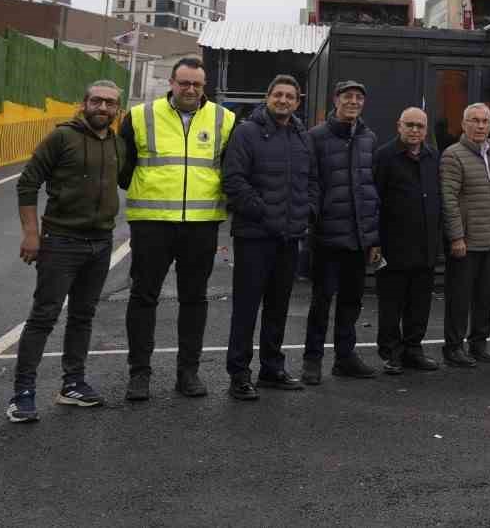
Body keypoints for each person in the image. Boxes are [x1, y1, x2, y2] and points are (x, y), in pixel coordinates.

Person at [119, 56, 237, 401]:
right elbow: (123, 169)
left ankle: (188, 373)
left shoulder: (225, 119)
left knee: (194, 299)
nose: (190, 89)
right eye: (184, 83)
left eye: (197, 84)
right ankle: (139, 374)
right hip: (151, 223)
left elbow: (231, 170)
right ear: (171, 83)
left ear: (204, 86)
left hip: (201, 224)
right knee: (143, 297)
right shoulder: (139, 116)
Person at [8, 80, 124, 422]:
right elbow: (27, 183)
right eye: (97, 101)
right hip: (61, 241)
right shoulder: (61, 137)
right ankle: (22, 394)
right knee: (44, 316)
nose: (103, 108)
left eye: (110, 103)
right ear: (83, 103)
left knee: (83, 316)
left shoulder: (117, 143)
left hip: (101, 242)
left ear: (118, 110)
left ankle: (72, 385)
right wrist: (31, 234)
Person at [222, 75, 319, 400]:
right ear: (267, 97)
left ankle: (271, 368)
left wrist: (307, 211)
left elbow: (312, 181)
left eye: (290, 96)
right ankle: (239, 374)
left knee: (278, 308)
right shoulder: (246, 132)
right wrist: (265, 213)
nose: (283, 100)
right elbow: (234, 180)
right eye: (278, 94)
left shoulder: (301, 136)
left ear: (297, 102)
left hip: (289, 238)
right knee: (246, 309)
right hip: (254, 236)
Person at [302, 81, 382, 382]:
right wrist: (314, 221)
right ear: (336, 100)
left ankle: (345, 358)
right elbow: (310, 183)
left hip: (359, 237)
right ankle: (312, 360)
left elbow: (371, 189)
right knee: (321, 301)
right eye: (348, 96)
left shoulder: (368, 138)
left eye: (359, 97)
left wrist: (374, 238)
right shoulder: (316, 137)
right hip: (326, 236)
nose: (353, 101)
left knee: (351, 301)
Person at [373, 107, 443, 375]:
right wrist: (375, 241)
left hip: (425, 244)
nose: (415, 130)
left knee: (419, 303)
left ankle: (413, 349)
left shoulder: (432, 157)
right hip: (393, 245)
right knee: (391, 304)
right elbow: (374, 200)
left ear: (426, 130)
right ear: (399, 126)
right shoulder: (384, 156)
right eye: (410, 125)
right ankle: (391, 353)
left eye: (420, 126)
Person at [441, 103, 490, 367]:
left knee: (484, 297)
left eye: (485, 121)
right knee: (459, 299)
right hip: (465, 243)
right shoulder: (453, 155)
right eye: (474, 120)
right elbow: (449, 200)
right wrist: (456, 237)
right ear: (463, 124)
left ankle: (479, 344)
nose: (480, 126)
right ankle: (453, 348)